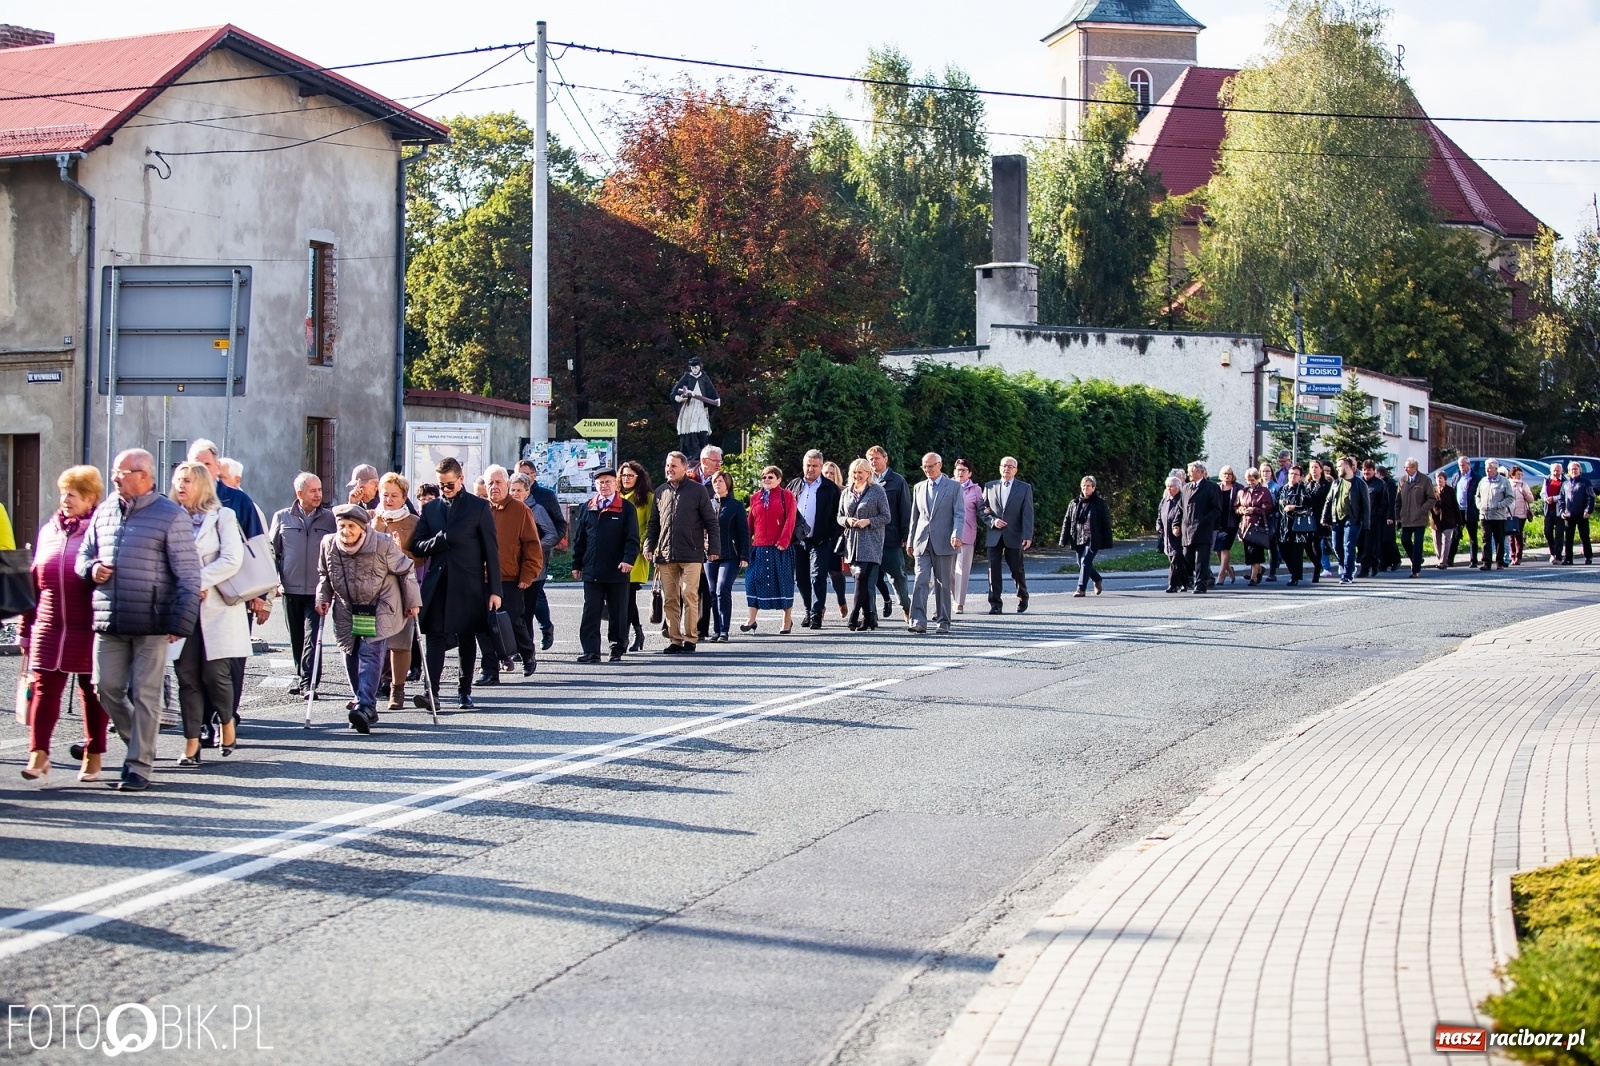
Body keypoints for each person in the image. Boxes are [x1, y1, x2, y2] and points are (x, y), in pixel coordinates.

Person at [77, 449, 203, 791]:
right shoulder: (104, 512)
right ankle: (140, 739)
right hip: (109, 618)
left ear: (144, 476)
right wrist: (91, 569)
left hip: (152, 620)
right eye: (115, 471)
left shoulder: (170, 516)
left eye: (122, 472)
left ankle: (138, 766)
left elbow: (190, 575)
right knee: (105, 687)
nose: (115, 477)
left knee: (146, 694)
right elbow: (84, 554)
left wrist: (180, 621)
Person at [18, 466, 110, 783]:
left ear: (90, 498)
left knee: (91, 691)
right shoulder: (49, 531)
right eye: (63, 493)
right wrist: (25, 629)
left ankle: (94, 753)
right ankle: (38, 753)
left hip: (88, 625)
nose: (65, 500)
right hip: (48, 623)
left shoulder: (99, 533)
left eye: (72, 494)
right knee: (44, 688)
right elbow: (33, 583)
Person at [168, 461, 247, 767]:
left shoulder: (222, 517)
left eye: (187, 480)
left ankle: (226, 721)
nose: (181, 486)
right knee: (186, 676)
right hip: (182, 608)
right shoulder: (169, 517)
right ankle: (191, 743)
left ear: (201, 484)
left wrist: (196, 581)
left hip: (217, 607)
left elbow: (231, 558)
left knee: (215, 675)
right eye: (177, 480)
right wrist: (183, 587)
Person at [316, 504, 421, 731]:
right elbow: (324, 575)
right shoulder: (328, 544)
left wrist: (412, 601)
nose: (346, 531)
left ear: (362, 528)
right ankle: (363, 702)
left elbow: (406, 569)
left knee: (370, 651)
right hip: (347, 606)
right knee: (349, 652)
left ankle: (365, 705)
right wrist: (322, 597)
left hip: (379, 603)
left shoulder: (382, 543)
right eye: (342, 526)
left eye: (351, 526)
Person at [409, 456, 502, 711]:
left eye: (449, 484)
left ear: (461, 479)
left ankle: (465, 691)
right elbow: (416, 545)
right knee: (435, 637)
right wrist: (439, 540)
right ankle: (432, 692)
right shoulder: (430, 509)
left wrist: (495, 589)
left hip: (468, 583)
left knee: (467, 637)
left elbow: (491, 551)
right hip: (438, 583)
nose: (445, 490)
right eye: (441, 485)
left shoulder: (478, 507)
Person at [270, 473, 337, 697]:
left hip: (318, 590)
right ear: (300, 494)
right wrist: (276, 583)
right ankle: (302, 677)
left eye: (320, 490)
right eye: (313, 491)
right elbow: (273, 553)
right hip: (290, 589)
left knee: (312, 635)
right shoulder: (281, 517)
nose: (319, 494)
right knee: (297, 637)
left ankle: (310, 683)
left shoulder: (330, 519)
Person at [645, 451, 720, 653]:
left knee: (689, 595)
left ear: (685, 468)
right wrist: (649, 546)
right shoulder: (661, 491)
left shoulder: (697, 491)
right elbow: (653, 524)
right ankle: (675, 640)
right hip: (666, 555)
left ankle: (690, 638)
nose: (669, 469)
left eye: (673, 466)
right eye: (667, 465)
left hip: (692, 554)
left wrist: (713, 549)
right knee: (670, 598)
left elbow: (711, 522)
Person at [477, 465, 543, 684]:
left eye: (498, 482)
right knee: (483, 626)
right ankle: (489, 670)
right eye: (490, 483)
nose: (494, 487)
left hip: (510, 577)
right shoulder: (480, 508)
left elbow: (532, 546)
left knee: (513, 621)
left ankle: (527, 653)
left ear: (506, 484)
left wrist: (527, 575)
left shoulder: (520, 510)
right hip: (482, 579)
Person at [570, 467, 639, 663]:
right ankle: (591, 651)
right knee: (591, 611)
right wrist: (577, 564)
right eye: (600, 482)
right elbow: (580, 539)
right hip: (592, 569)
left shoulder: (626, 508)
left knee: (618, 612)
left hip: (617, 569)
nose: (604, 485)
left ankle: (617, 648)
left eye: (608, 481)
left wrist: (628, 560)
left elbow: (632, 539)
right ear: (595, 484)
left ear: (615, 484)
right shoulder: (588, 507)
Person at [372, 472, 422, 709]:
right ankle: (367, 689)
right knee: (370, 641)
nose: (389, 500)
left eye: (394, 495)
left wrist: (402, 551)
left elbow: (421, 560)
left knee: (400, 643)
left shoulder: (413, 522)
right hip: (372, 589)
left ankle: (397, 689)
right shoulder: (372, 519)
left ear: (404, 497)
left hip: (401, 589)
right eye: (385, 495)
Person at [907, 452, 963, 635]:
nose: (927, 470)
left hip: (945, 541)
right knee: (920, 580)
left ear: (940, 465)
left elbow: (959, 514)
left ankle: (943, 621)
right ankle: (917, 621)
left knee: (943, 584)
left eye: (931, 466)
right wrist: (910, 540)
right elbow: (914, 517)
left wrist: (956, 534)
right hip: (922, 541)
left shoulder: (954, 487)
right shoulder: (919, 487)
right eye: (924, 466)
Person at [515, 460, 566, 649]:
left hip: (538, 555)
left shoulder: (544, 498)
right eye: (517, 474)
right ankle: (521, 644)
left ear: (533, 476)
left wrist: (539, 546)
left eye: (525, 474)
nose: (520, 477)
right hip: (514, 561)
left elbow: (558, 525)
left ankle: (545, 628)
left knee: (534, 596)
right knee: (519, 601)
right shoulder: (510, 499)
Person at [741, 466, 798, 634]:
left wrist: (784, 540)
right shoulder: (756, 497)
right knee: (752, 582)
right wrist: (744, 545)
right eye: (764, 476)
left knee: (783, 583)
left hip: (779, 547)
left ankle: (787, 620)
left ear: (779, 480)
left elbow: (791, 519)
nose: (766, 479)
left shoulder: (786, 495)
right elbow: (750, 523)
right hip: (759, 547)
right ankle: (751, 619)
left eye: (770, 477)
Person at [789, 450, 842, 630]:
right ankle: (807, 609)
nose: (810, 469)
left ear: (821, 466)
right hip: (798, 540)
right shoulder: (794, 485)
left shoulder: (830, 487)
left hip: (820, 539)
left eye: (815, 466)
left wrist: (830, 535)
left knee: (818, 576)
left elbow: (838, 515)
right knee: (801, 578)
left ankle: (817, 613)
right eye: (808, 465)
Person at [510, 473, 559, 660]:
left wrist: (533, 547)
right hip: (510, 570)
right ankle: (513, 648)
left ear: (527, 491)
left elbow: (552, 535)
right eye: (512, 490)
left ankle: (526, 650)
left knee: (526, 613)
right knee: (512, 612)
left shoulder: (536, 509)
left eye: (519, 490)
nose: (515, 493)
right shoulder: (506, 508)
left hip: (532, 571)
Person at [838, 458, 890, 631]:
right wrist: (848, 520)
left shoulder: (877, 491)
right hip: (852, 541)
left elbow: (886, 516)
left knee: (861, 577)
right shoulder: (847, 492)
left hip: (871, 541)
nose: (857, 475)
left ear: (868, 473)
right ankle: (868, 618)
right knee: (861, 580)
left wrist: (868, 521)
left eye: (860, 472)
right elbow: (839, 516)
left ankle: (853, 616)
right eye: (854, 472)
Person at [867, 445, 912, 622]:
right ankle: (870, 614)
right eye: (871, 459)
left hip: (891, 538)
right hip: (869, 538)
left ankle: (906, 607)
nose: (874, 462)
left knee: (897, 576)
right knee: (869, 578)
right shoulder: (865, 480)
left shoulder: (897, 481)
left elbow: (905, 510)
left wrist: (905, 535)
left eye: (877, 458)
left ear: (886, 459)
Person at [984, 456, 1035, 613]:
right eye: (1004, 466)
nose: (1007, 469)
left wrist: (1027, 535)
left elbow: (1028, 513)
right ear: (1000, 468)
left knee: (1016, 569)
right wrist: (993, 521)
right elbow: (982, 509)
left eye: (1010, 467)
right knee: (993, 569)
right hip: (994, 534)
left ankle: (1022, 596)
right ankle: (995, 603)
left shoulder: (1024, 488)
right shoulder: (989, 486)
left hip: (1014, 534)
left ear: (1016, 470)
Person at [707, 470, 749, 642]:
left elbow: (743, 532)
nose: (718, 484)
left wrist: (744, 555)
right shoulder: (707, 504)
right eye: (715, 481)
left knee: (722, 588)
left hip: (731, 555)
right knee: (711, 591)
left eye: (721, 481)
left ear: (728, 484)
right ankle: (716, 630)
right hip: (709, 555)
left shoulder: (735, 505)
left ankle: (724, 630)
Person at [618, 461, 653, 651]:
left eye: (630, 476)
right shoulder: (616, 496)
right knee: (620, 597)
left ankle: (625, 636)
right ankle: (637, 631)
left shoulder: (646, 497)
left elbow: (650, 524)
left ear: (639, 478)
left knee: (629, 596)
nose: (626, 479)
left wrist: (638, 543)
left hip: (636, 553)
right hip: (616, 552)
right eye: (624, 475)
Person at [1060, 475, 1113, 597]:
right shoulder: (1074, 503)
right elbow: (1067, 521)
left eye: (1088, 486)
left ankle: (1080, 589)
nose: (1086, 488)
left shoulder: (1099, 503)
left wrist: (1107, 541)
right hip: (1078, 536)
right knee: (1081, 563)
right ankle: (1097, 579)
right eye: (1084, 486)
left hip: (1093, 538)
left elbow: (1105, 523)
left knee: (1086, 561)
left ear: (1093, 488)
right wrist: (1063, 539)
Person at [1322, 456, 1370, 585]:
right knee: (1337, 547)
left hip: (1353, 520)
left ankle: (1347, 575)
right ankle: (1345, 565)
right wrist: (1324, 517)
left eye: (1339, 466)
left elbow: (1366, 505)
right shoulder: (1336, 482)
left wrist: (1366, 523)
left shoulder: (1359, 484)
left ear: (1347, 467)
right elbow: (1329, 500)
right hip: (1337, 519)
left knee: (1348, 546)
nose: (1337, 469)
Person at [1180, 462, 1224, 593]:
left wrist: (1205, 521)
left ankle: (1201, 584)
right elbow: (1181, 507)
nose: (1188, 474)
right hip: (1187, 529)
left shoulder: (1211, 487)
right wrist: (1178, 524)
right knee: (1188, 556)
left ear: (1199, 472)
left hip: (1203, 529)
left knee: (1201, 559)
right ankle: (1189, 580)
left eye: (1191, 471)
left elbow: (1217, 509)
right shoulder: (1186, 487)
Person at [950, 459, 985, 614]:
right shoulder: (948, 486)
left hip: (966, 533)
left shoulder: (975, 490)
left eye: (964, 470)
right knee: (948, 570)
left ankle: (959, 602)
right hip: (947, 534)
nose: (960, 472)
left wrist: (991, 515)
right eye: (958, 469)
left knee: (962, 570)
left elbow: (982, 510)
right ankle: (953, 596)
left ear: (970, 473)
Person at [1394, 458, 1437, 578]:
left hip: (1419, 518)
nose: (1405, 470)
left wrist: (1422, 510)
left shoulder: (1424, 480)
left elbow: (1432, 498)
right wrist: (1398, 516)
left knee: (1418, 543)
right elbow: (1398, 500)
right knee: (1405, 540)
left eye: (1408, 467)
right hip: (1406, 518)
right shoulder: (1403, 480)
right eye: (1405, 467)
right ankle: (1417, 559)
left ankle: (1415, 570)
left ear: (1415, 468)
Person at [672, 356, 721, 459]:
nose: (695, 370)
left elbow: (711, 390)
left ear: (700, 367)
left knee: (702, 430)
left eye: (696, 367)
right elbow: (675, 393)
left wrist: (716, 399)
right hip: (689, 407)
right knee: (691, 431)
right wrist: (682, 397)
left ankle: (703, 454)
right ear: (691, 368)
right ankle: (693, 455)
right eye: (693, 368)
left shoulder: (704, 377)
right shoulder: (687, 377)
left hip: (700, 407)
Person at [1235, 468, 1275, 586]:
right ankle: (1258, 570)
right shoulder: (1242, 492)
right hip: (1245, 525)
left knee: (1255, 551)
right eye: (1248, 480)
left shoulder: (1264, 491)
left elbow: (1268, 508)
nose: (1250, 482)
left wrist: (1255, 510)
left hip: (1258, 526)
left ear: (1258, 479)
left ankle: (1254, 577)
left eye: (1252, 480)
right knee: (1249, 552)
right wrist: (1241, 510)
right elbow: (1235, 507)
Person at [1276, 464, 1315, 586]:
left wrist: (1295, 508)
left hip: (1298, 527)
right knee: (1284, 552)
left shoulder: (1303, 489)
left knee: (1296, 553)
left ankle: (1295, 577)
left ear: (1300, 477)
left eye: (1296, 474)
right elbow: (1277, 505)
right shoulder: (1283, 489)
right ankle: (1294, 573)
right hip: (1284, 526)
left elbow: (1309, 508)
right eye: (1291, 474)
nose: (1293, 476)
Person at [821, 461, 850, 618]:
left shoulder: (843, 491)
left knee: (835, 573)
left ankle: (841, 600)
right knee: (818, 574)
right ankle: (820, 607)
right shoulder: (817, 490)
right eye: (826, 473)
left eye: (832, 473)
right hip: (819, 536)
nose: (828, 475)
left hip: (836, 537)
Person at [1475, 459, 1515, 572]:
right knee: (1485, 539)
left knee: (1499, 540)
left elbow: (1510, 498)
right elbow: (1477, 496)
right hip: (1485, 515)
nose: (1487, 470)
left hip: (1498, 516)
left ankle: (1499, 562)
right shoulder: (1483, 481)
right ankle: (1486, 562)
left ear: (1496, 469)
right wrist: (1480, 505)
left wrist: (1499, 505)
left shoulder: (1504, 481)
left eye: (1490, 468)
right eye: (1486, 468)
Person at [1448, 456, 1483, 567]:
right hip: (1459, 511)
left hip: (1471, 510)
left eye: (1463, 465)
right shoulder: (1456, 476)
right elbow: (1453, 492)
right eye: (1460, 465)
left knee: (1472, 536)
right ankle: (1450, 559)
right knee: (1456, 535)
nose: (1461, 467)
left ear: (1468, 464)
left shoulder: (1476, 478)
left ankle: (1473, 560)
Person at [1358, 461, 1391, 578]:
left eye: (1369, 470)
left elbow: (1384, 503)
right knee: (1360, 543)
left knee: (1367, 545)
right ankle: (1374, 561)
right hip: (1359, 519)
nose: (1366, 472)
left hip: (1373, 519)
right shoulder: (1359, 482)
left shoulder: (1380, 484)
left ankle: (1364, 569)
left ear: (1373, 471)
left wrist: (1378, 517)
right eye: (1364, 470)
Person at [1558, 460, 1594, 565]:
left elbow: (1590, 497)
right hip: (1569, 515)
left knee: (1584, 536)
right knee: (1568, 538)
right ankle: (1568, 558)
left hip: (1582, 515)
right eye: (1571, 469)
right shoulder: (1565, 484)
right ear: (1569, 471)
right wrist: (1561, 511)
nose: (1574, 471)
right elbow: (1561, 499)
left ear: (1580, 470)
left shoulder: (1586, 482)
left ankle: (1588, 556)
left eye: (1575, 469)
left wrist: (1588, 510)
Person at [1157, 476, 1188, 592]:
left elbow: (1184, 516)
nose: (1169, 489)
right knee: (1176, 561)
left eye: (1172, 486)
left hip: (1178, 536)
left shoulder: (1182, 500)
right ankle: (1186, 582)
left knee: (1176, 560)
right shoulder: (1165, 500)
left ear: (1178, 487)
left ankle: (1172, 585)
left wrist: (1178, 527)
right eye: (1168, 486)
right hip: (1167, 536)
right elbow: (1159, 516)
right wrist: (1159, 527)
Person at [1306, 459, 1334, 578]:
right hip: (1308, 519)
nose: (1314, 469)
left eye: (1316, 467)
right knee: (1307, 545)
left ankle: (1317, 571)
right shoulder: (1308, 485)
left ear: (1321, 469)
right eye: (1312, 467)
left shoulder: (1326, 485)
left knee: (1316, 544)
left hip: (1321, 518)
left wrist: (1328, 519)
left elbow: (1330, 502)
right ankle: (1317, 565)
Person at [1215, 466, 1242, 584]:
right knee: (1218, 549)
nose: (1227, 476)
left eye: (1229, 474)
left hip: (1231, 522)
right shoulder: (1216, 487)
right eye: (1225, 474)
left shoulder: (1238, 488)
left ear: (1232, 476)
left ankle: (1221, 576)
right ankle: (1230, 571)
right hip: (1218, 522)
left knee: (1225, 548)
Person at [1431, 471, 1462, 568]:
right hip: (1435, 521)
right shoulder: (1433, 490)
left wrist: (1459, 521)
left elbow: (1455, 506)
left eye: (1441, 478)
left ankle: (1443, 562)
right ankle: (1440, 558)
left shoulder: (1450, 490)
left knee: (1446, 541)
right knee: (1437, 542)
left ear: (1445, 479)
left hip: (1448, 519)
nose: (1439, 480)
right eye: (1437, 478)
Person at [1506, 465, 1535, 566]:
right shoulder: (1507, 484)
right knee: (1510, 535)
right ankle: (1512, 555)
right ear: (1512, 475)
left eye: (1521, 474)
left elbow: (1531, 500)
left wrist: (1525, 494)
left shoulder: (1523, 485)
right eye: (1518, 474)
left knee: (1518, 535)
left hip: (1521, 515)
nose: (1520, 476)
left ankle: (1518, 557)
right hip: (1509, 514)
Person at [1544, 463, 1568, 564]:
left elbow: (1565, 495)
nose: (1555, 473)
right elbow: (1543, 492)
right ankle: (1552, 553)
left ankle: (1558, 556)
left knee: (1559, 534)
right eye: (1554, 471)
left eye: (1557, 471)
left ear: (1561, 471)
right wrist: (1545, 498)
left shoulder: (1565, 481)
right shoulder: (1547, 479)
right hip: (1549, 510)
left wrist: (1554, 498)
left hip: (1560, 511)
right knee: (1547, 532)